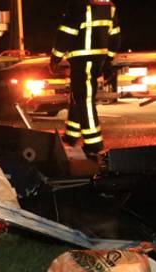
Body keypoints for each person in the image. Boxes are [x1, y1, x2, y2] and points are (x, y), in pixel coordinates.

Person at [50, 0, 121, 159]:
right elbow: (115, 34)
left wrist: (55, 57)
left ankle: (94, 144)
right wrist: (108, 60)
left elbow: (66, 32)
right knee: (78, 98)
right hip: (96, 59)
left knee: (85, 100)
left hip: (82, 60)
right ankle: (71, 136)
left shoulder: (78, 4)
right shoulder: (108, 6)